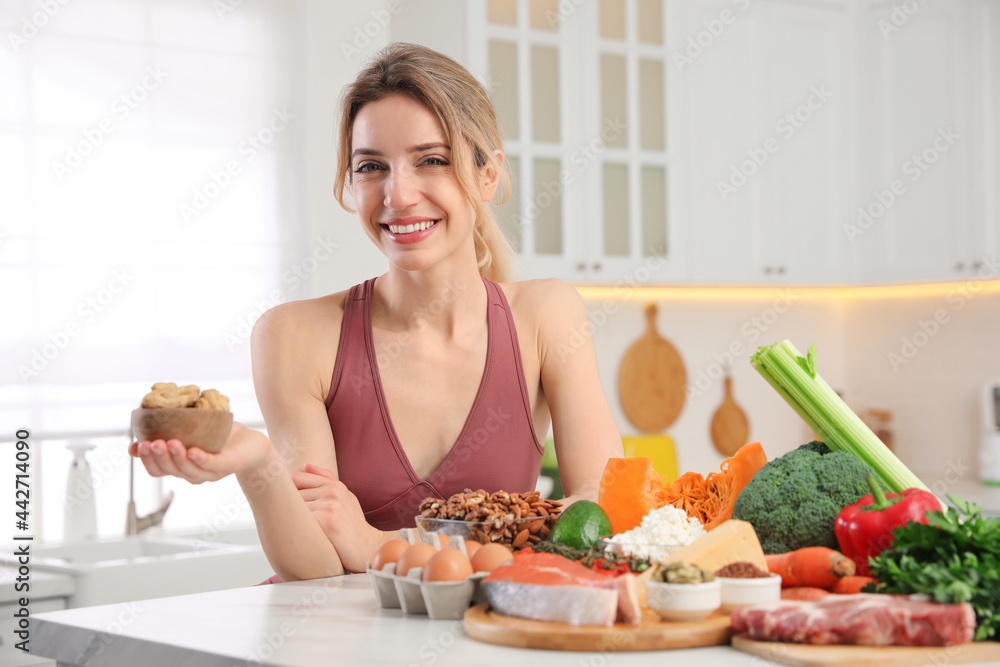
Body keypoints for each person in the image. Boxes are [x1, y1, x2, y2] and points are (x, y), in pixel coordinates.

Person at [129, 43, 623, 580]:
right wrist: (256, 461)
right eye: (371, 167)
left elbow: (602, 522)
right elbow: (315, 567)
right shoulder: (294, 335)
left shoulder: (546, 317)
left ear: (487, 175)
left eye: (431, 160)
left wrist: (372, 544)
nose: (398, 195)